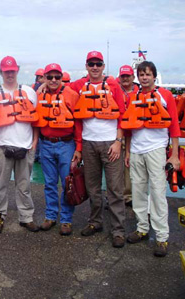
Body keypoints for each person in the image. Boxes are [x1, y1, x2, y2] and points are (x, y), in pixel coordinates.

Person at [70, 51, 126, 248]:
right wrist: (42, 84)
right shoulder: (78, 86)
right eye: (91, 64)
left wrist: (118, 142)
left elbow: (122, 116)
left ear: (103, 66)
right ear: (86, 66)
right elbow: (59, 87)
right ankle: (95, 222)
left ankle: (118, 230)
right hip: (88, 143)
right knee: (92, 187)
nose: (94, 67)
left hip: (110, 143)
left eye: (98, 64)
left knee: (115, 189)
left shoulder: (114, 86)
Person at [124, 61, 180, 257]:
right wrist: (128, 152)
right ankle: (141, 228)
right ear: (138, 77)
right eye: (141, 74)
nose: (144, 77)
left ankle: (162, 237)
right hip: (137, 150)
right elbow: (129, 128)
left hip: (156, 150)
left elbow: (174, 126)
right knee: (138, 191)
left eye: (148, 74)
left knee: (157, 193)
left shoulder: (165, 96)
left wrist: (174, 154)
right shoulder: (132, 97)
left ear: (154, 76)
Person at [0, 56, 39, 234]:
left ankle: (26, 217)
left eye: (12, 71)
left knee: (24, 185)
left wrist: (34, 144)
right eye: (6, 71)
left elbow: (35, 120)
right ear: (1, 72)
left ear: (17, 71)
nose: (9, 74)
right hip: (2, 146)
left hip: (25, 146)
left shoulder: (30, 93)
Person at [33, 63, 82, 235]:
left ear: (62, 78)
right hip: (45, 144)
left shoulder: (72, 95)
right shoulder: (39, 96)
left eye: (57, 77)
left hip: (66, 145)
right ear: (44, 78)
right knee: (49, 183)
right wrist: (35, 144)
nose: (54, 80)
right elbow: (35, 122)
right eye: (50, 77)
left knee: (68, 183)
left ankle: (66, 219)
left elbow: (78, 124)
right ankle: (51, 216)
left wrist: (79, 148)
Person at [118, 65, 139, 207]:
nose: (125, 78)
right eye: (123, 76)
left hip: (135, 135)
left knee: (131, 167)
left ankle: (129, 196)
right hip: (118, 133)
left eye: (128, 76)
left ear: (133, 77)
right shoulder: (114, 90)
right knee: (115, 167)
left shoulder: (140, 92)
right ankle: (116, 195)